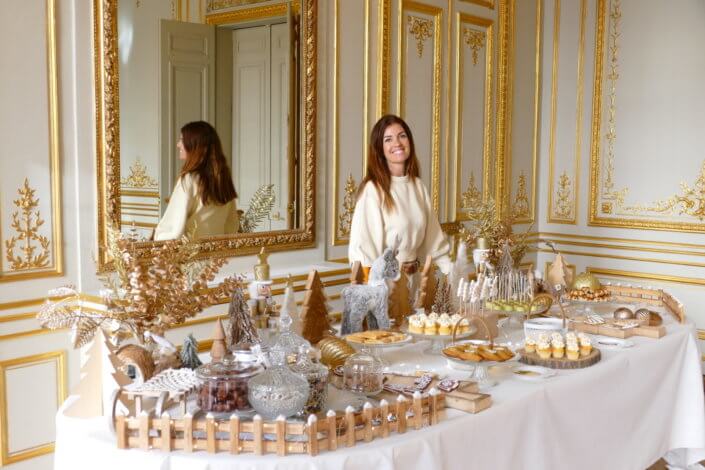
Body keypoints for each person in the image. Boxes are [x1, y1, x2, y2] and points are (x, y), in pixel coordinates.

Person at [348, 114, 452, 283]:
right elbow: (364, 253)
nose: (397, 143)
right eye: (388, 139)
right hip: (385, 287)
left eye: (402, 136)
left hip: (414, 283)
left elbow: (434, 244)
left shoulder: (418, 186)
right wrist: (375, 294)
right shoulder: (373, 190)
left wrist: (454, 275)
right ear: (379, 148)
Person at [154, 121, 239, 240]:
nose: (178, 144)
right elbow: (232, 226)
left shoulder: (189, 179)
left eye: (182, 140)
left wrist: (157, 239)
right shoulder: (223, 180)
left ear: (194, 145)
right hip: (216, 254)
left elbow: (173, 229)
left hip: (191, 254)